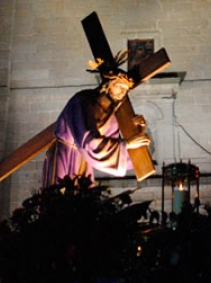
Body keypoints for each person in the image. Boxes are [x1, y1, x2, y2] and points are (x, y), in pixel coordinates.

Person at [41, 59, 151, 188]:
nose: (123, 92)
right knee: (57, 197)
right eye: (119, 86)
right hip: (64, 154)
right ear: (109, 84)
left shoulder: (112, 113)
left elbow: (110, 147)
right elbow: (87, 140)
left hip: (84, 160)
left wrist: (136, 131)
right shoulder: (83, 100)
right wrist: (126, 144)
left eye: (126, 89)